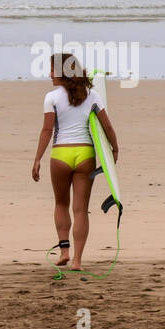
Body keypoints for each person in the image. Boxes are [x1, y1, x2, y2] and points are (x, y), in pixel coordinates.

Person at [31, 52, 119, 271]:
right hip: (85, 156)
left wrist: (37, 158)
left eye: (52, 69)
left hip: (60, 155)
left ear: (61, 72)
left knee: (61, 204)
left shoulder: (51, 97)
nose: (49, 73)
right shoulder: (91, 96)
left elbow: (47, 130)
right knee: (80, 210)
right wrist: (114, 148)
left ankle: (64, 252)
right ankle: (77, 261)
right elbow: (107, 126)